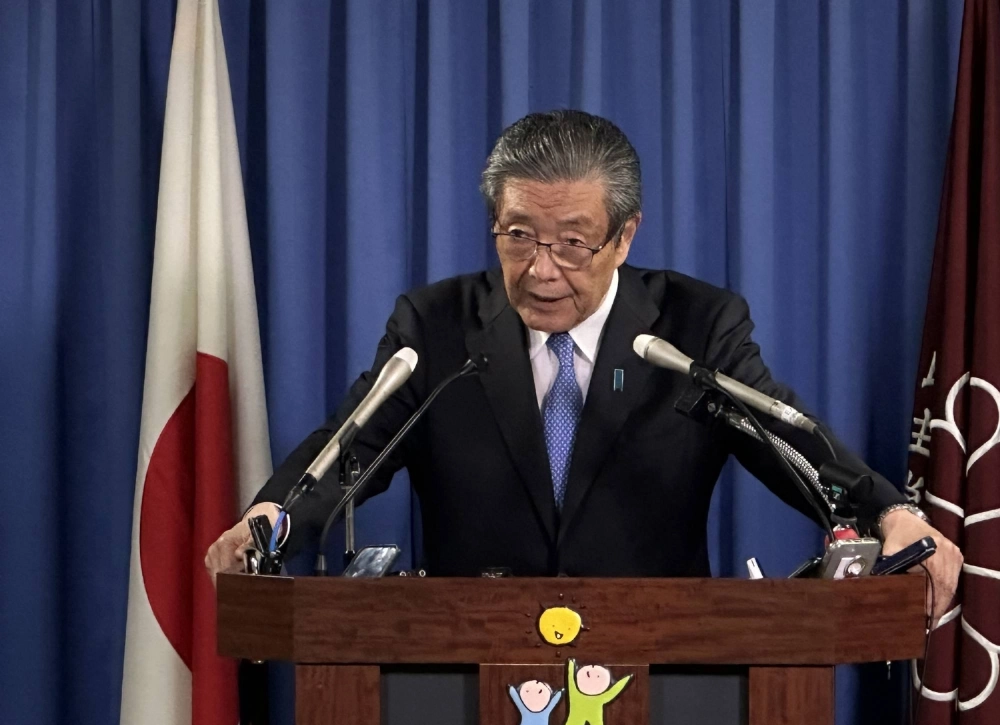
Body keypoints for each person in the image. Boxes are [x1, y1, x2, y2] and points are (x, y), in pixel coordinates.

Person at [205, 110, 960, 620]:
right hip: (467, 665)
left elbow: (790, 446)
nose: (541, 270)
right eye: (517, 236)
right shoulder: (435, 328)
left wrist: (890, 514)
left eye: (573, 242)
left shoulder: (694, 329)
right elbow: (349, 451)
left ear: (624, 237)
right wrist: (269, 522)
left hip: (656, 662)